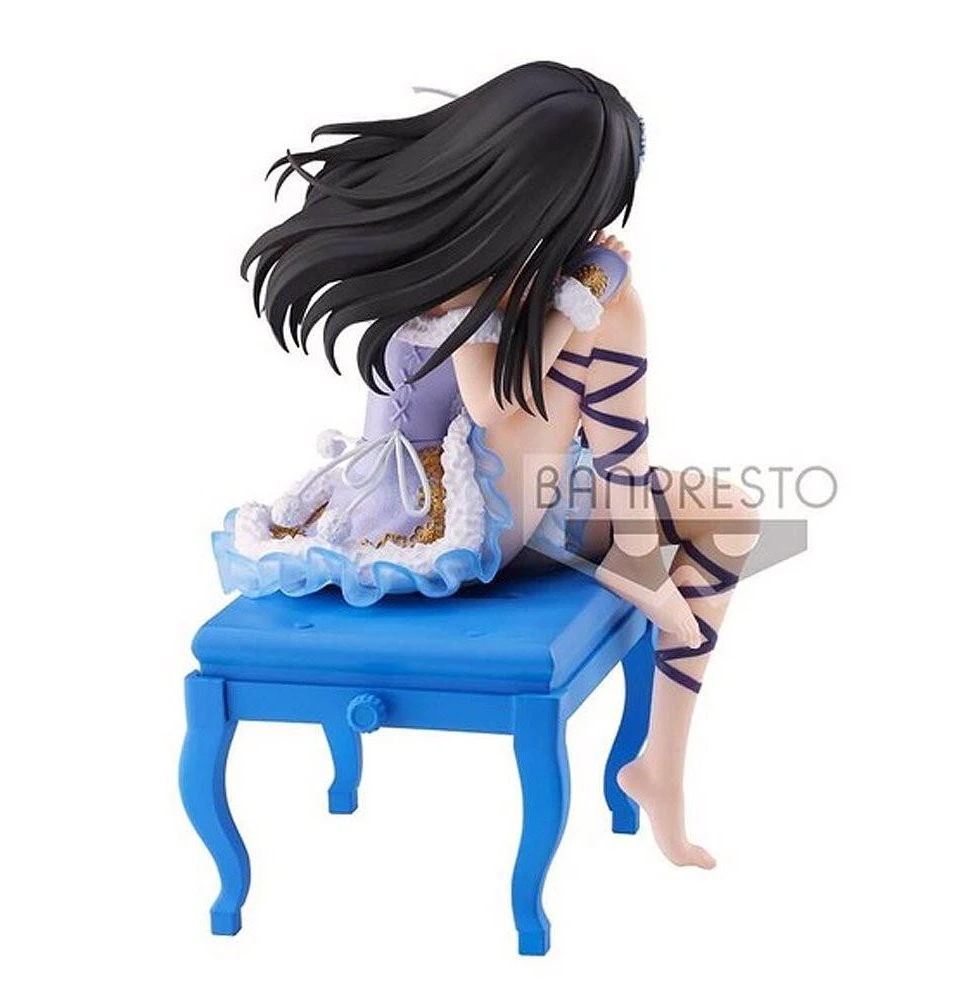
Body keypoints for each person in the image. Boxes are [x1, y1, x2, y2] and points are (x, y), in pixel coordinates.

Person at [214, 61, 759, 868]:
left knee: (731, 512)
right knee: (612, 302)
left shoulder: (512, 265)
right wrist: (586, 294)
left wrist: (580, 291)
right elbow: (496, 400)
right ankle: (637, 557)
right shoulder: (464, 270)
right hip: (438, 514)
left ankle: (662, 770)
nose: (588, 227)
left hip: (521, 497)